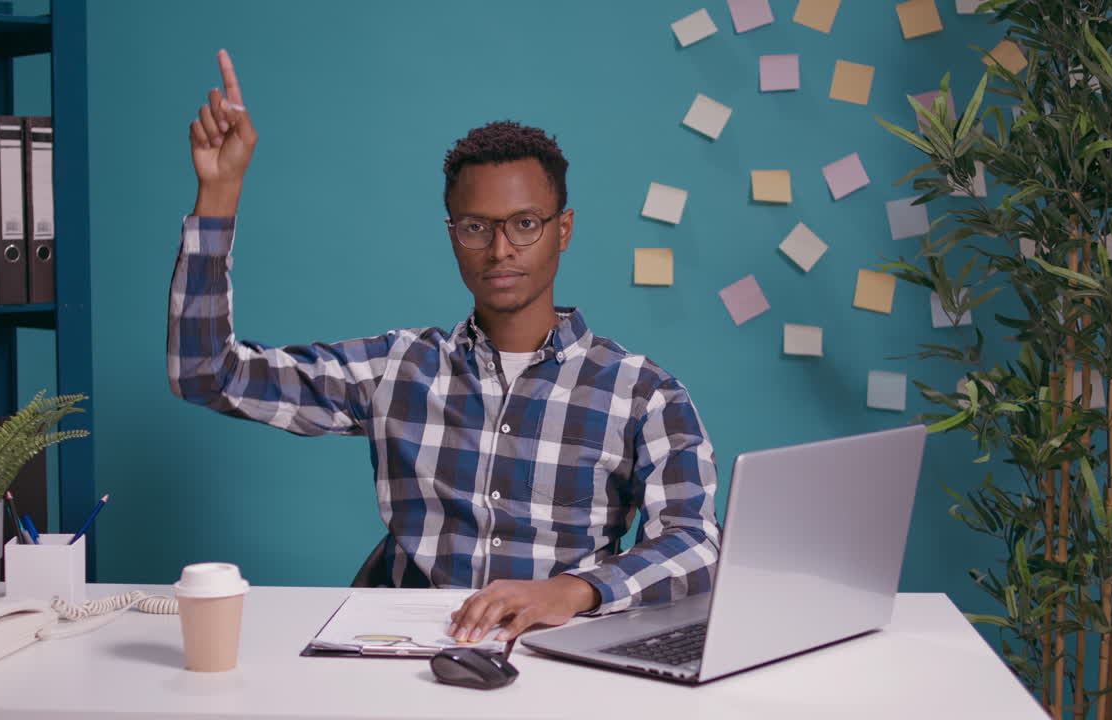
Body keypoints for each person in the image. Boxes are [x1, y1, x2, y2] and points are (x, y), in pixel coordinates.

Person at [168, 49, 720, 644]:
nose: (501, 249)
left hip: (559, 657)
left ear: (563, 229)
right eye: (476, 226)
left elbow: (694, 543)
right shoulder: (397, 369)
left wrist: (573, 590)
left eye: (526, 223)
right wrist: (219, 193)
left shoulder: (644, 393)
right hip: (403, 654)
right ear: (453, 234)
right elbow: (207, 374)